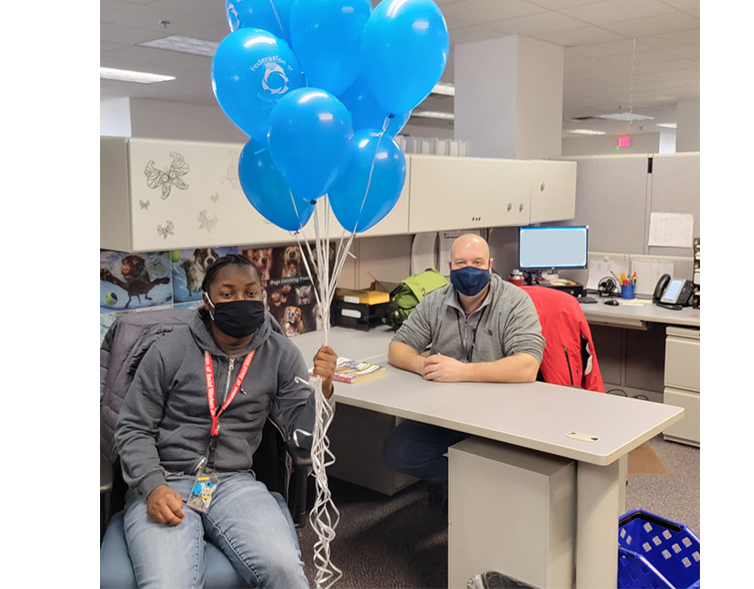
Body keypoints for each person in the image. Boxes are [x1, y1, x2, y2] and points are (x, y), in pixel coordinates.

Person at [115, 254, 336, 589]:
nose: (241, 301)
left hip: (234, 483)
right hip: (166, 480)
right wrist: (152, 485)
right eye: (228, 294)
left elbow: (304, 439)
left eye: (250, 293)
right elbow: (133, 428)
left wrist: (323, 390)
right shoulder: (167, 350)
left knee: (286, 571)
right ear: (207, 302)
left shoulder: (280, 353)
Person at [383, 233, 545, 494]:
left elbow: (528, 366)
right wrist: (422, 365)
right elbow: (397, 348)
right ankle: (466, 483)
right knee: (397, 453)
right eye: (461, 263)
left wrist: (461, 371)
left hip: (502, 415)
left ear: (491, 266)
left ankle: (480, 493)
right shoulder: (435, 301)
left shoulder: (515, 302)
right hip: (448, 413)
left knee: (511, 464)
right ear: (450, 267)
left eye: (478, 263)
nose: (469, 270)